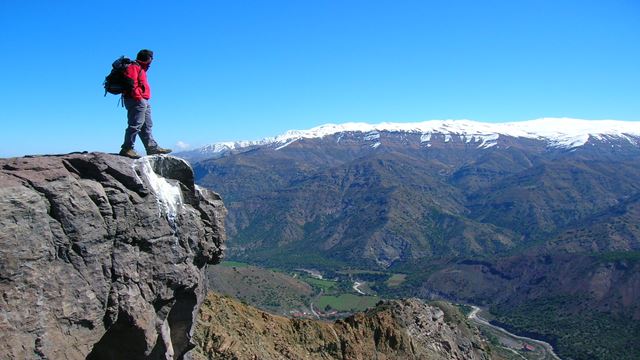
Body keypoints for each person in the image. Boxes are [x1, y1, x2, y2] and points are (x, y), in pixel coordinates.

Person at [119, 49, 172, 159]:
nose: (152, 60)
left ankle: (152, 147)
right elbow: (131, 83)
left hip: (143, 100)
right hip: (136, 99)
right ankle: (127, 148)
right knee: (135, 124)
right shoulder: (134, 66)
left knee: (147, 125)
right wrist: (138, 97)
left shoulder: (141, 68)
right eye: (151, 58)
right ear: (148, 58)